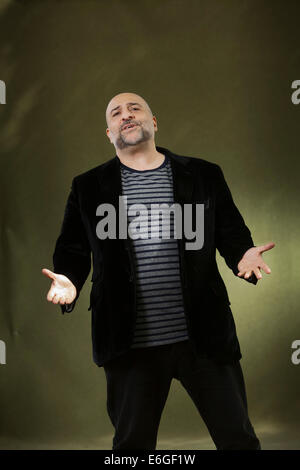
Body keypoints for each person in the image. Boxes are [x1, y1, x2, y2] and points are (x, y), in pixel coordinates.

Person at [42, 92, 275, 450]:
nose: (126, 115)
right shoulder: (87, 186)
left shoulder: (203, 174)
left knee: (238, 439)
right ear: (109, 133)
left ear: (153, 122)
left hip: (203, 336)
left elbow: (230, 232)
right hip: (128, 343)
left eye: (135, 108)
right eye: (116, 113)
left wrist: (243, 254)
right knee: (132, 446)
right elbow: (73, 249)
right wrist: (69, 280)